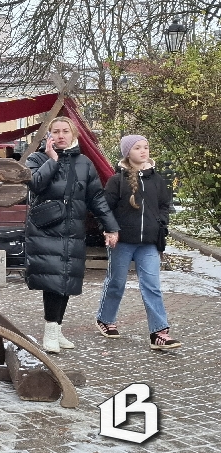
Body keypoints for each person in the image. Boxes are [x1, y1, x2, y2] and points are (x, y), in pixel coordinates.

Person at [25, 116, 119, 353]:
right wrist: (53, 160)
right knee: (53, 282)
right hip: (46, 231)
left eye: (65, 131)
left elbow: (96, 197)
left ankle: (57, 331)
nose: (60, 135)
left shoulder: (84, 163)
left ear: (74, 134)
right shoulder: (37, 158)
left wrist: (110, 226)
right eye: (55, 131)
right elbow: (35, 184)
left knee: (65, 280)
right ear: (49, 136)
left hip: (72, 231)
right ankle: (49, 331)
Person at [96, 135, 181, 350]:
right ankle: (105, 319)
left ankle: (159, 333)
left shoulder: (158, 180)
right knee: (116, 283)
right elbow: (104, 209)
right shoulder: (118, 181)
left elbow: (164, 206)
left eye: (146, 147)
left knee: (152, 286)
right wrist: (110, 230)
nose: (143, 151)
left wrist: (160, 223)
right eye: (137, 148)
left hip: (149, 244)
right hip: (122, 242)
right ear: (127, 153)